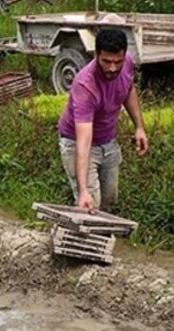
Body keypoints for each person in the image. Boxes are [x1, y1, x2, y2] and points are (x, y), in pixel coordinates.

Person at [57, 26, 149, 214]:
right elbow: (83, 141)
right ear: (96, 55)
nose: (112, 68)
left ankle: (102, 236)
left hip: (107, 140)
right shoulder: (85, 85)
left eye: (118, 61)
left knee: (109, 200)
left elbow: (128, 90)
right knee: (91, 205)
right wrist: (83, 191)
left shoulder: (127, 63)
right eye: (106, 61)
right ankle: (80, 237)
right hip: (78, 142)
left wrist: (139, 127)